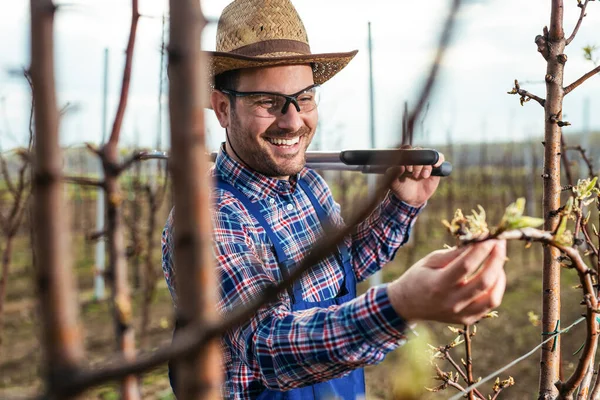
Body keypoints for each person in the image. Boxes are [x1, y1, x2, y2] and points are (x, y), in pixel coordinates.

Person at [161, 0, 508, 399]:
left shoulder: (308, 185)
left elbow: (345, 264)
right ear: (223, 108)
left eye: (304, 98)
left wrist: (402, 204)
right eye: (267, 102)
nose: (293, 120)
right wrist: (399, 304)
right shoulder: (210, 220)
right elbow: (267, 347)